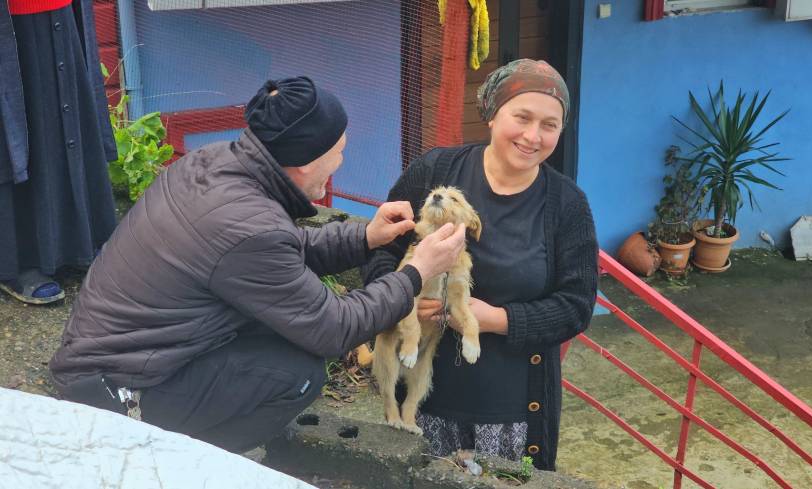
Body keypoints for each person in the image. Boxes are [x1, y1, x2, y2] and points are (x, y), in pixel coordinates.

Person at [48, 76, 468, 453]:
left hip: (111, 355)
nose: (341, 161)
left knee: (281, 329)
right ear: (305, 160)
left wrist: (365, 236)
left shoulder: (215, 162)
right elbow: (334, 328)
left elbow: (279, 251)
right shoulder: (250, 227)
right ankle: (184, 461)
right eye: (339, 152)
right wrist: (416, 273)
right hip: (118, 391)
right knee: (299, 372)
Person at [363, 59, 599, 470]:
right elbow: (380, 249)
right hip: (424, 405)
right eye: (521, 117)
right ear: (492, 114)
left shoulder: (567, 205)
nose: (532, 136)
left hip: (512, 414)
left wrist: (497, 319)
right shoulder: (435, 171)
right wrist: (398, 295)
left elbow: (577, 306)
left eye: (550, 125)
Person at [0, 0, 118, 304]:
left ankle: (81, 242)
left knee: (67, 124)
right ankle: (23, 262)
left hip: (59, 12)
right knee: (17, 135)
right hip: (11, 23)